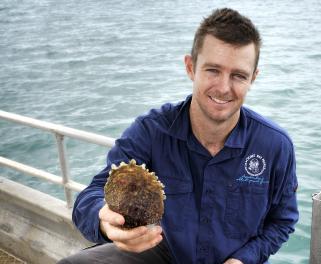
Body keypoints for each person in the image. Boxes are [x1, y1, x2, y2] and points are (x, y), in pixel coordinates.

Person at [58, 8, 298, 264]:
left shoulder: (274, 146)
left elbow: (282, 221)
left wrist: (244, 259)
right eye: (213, 70)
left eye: (238, 75)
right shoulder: (151, 131)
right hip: (163, 252)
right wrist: (105, 221)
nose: (224, 87)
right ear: (191, 67)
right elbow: (92, 195)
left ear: (253, 78)